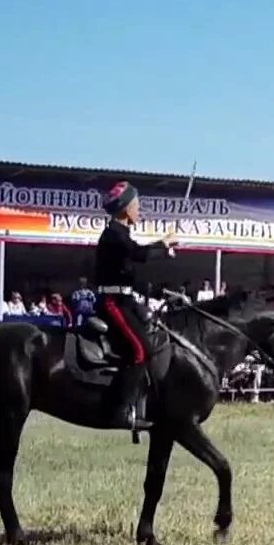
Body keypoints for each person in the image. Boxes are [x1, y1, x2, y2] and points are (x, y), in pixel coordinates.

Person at [93, 181, 177, 431]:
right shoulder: (113, 235)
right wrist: (164, 244)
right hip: (112, 303)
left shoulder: (122, 235)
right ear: (125, 209)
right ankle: (119, 410)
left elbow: (130, 277)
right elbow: (138, 253)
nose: (139, 210)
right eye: (136, 205)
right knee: (141, 351)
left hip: (126, 300)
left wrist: (160, 291)